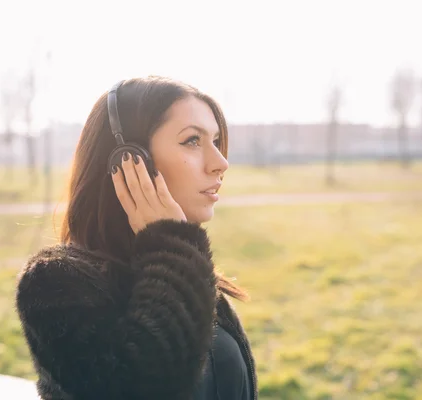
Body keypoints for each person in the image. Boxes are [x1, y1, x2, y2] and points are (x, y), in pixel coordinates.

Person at [15, 76, 258, 400]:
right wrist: (171, 242)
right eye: (192, 141)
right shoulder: (52, 283)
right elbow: (147, 384)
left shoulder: (188, 267)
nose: (220, 163)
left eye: (215, 141)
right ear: (131, 160)